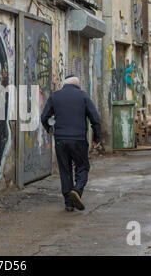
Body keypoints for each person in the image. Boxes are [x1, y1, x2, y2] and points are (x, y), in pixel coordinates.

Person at [41, 75, 101, 211]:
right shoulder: (83, 96)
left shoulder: (54, 96)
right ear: (78, 85)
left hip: (60, 140)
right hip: (78, 140)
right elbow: (95, 118)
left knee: (65, 169)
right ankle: (77, 190)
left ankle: (68, 203)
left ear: (64, 84)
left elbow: (44, 117)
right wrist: (97, 138)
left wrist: (50, 130)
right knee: (82, 167)